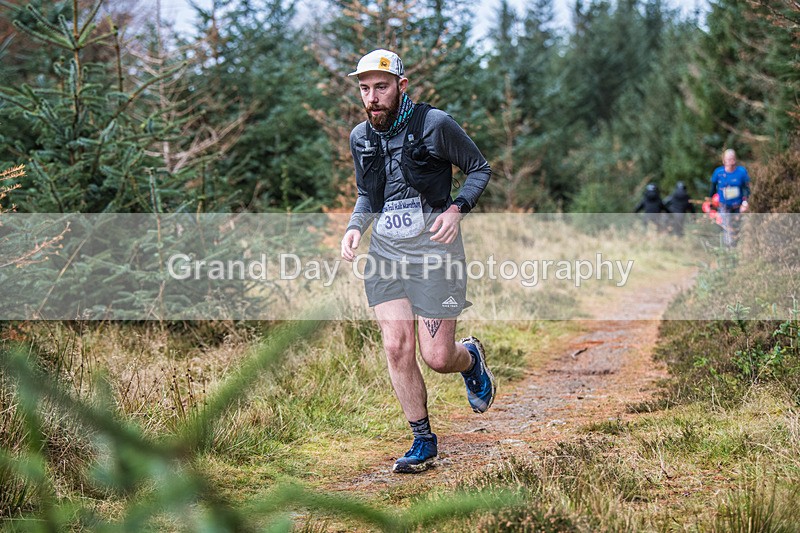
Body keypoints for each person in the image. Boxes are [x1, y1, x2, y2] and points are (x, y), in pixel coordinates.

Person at [340, 49, 496, 474]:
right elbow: (367, 195)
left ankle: (470, 358)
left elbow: (479, 168)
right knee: (396, 346)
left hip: (434, 254)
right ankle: (423, 440)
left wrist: (456, 209)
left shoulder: (434, 124)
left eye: (381, 87)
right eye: (365, 88)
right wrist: (356, 226)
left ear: (401, 86)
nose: (372, 97)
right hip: (386, 254)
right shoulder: (361, 137)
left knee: (438, 357)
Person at [709, 149, 750, 246]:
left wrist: (745, 203)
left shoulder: (741, 172)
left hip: (738, 206)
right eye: (728, 159)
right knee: (726, 228)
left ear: (735, 160)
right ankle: (728, 250)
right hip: (724, 205)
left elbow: (747, 189)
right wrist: (711, 203)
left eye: (732, 159)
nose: (731, 162)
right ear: (723, 161)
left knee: (737, 228)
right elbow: (712, 189)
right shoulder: (718, 173)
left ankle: (738, 248)